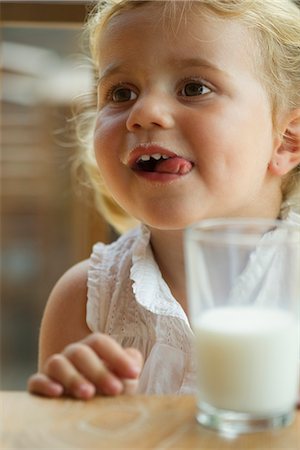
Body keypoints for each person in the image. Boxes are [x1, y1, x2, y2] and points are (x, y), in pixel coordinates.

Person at [28, 0, 300, 400]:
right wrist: (79, 414)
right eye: (121, 92)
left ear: (286, 141)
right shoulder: (85, 300)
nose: (145, 112)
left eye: (194, 88)